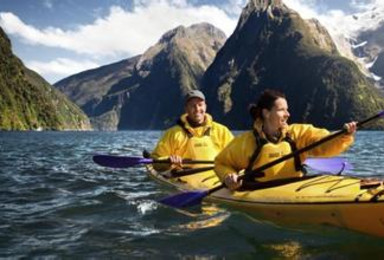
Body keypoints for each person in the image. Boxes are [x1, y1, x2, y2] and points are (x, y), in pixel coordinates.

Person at [214, 89, 357, 190]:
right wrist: (228, 177)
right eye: (282, 110)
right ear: (266, 113)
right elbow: (221, 163)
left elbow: (324, 142)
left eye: (287, 109)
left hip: (295, 187)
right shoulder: (246, 142)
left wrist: (342, 135)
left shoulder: (297, 133)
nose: (288, 114)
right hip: (260, 191)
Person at [151, 90, 234, 187]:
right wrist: (168, 160)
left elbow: (236, 157)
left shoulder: (222, 131)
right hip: (184, 179)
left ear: (205, 107)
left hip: (219, 179)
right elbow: (156, 162)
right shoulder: (173, 133)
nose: (197, 109)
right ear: (186, 109)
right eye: (192, 106)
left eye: (200, 105)